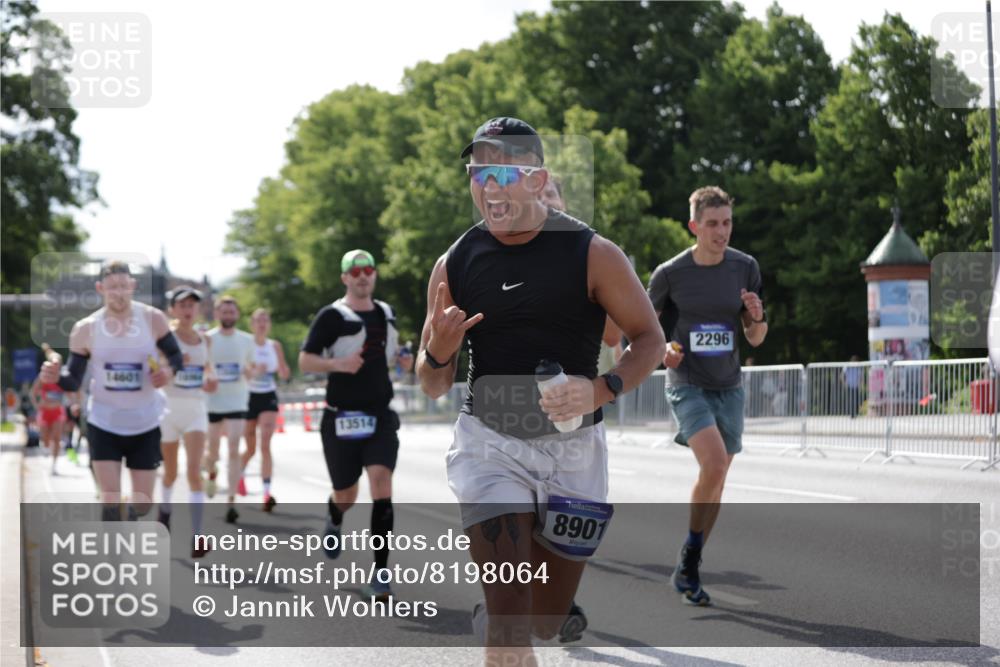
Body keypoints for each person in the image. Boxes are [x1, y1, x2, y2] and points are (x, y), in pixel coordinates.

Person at [418, 117, 663, 664]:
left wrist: (599, 389)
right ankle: (499, 620)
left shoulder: (594, 253)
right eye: (478, 172)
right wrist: (439, 349)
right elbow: (431, 383)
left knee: (547, 621)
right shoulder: (455, 263)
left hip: (574, 453)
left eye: (502, 170)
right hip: (490, 445)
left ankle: (507, 618)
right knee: (509, 625)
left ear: (536, 178)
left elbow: (649, 339)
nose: (489, 185)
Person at [647, 186, 767, 606]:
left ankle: (689, 565)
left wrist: (755, 318)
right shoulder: (670, 273)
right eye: (713, 224)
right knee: (713, 462)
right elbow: (644, 330)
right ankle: (690, 559)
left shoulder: (744, 267)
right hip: (687, 383)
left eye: (727, 223)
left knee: (717, 481)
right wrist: (663, 350)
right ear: (694, 226)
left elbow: (756, 337)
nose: (722, 232)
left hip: (729, 386)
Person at [299, 249, 413, 601]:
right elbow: (305, 360)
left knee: (381, 484)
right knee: (346, 494)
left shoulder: (387, 314)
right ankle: (335, 517)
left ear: (374, 275)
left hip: (379, 415)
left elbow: (397, 361)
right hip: (340, 418)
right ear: (345, 277)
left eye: (368, 270)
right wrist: (339, 365)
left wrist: (405, 362)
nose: (363, 275)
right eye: (355, 270)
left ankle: (380, 574)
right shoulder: (332, 316)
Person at [38, 260, 181, 520]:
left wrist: (168, 372)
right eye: (112, 287)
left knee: (143, 505)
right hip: (104, 420)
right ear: (100, 288)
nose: (118, 292)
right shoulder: (86, 329)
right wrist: (57, 377)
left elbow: (176, 357)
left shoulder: (153, 319)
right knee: (110, 498)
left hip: (145, 421)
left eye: (123, 286)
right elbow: (73, 379)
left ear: (133, 286)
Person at [157, 286, 219, 557]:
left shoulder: (205, 341)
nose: (187, 310)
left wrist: (210, 382)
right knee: (171, 472)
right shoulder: (165, 337)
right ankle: (165, 511)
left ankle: (197, 536)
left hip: (195, 410)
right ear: (173, 309)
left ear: (198, 309)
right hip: (168, 411)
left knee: (194, 472)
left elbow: (207, 372)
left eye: (192, 305)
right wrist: (170, 365)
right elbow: (152, 369)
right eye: (182, 305)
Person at [203, 296, 257, 524]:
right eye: (223, 312)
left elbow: (252, 368)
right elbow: (200, 367)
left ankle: (231, 501)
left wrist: (248, 372)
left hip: (237, 400)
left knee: (234, 446)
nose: (228, 316)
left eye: (231, 312)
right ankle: (212, 470)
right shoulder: (207, 340)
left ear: (237, 315)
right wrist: (209, 377)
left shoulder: (247, 340)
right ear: (217, 314)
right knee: (213, 451)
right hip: (212, 402)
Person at [239, 308, 290, 511]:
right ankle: (239, 474)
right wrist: (253, 371)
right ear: (252, 324)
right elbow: (241, 374)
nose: (262, 324)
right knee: (250, 447)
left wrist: (283, 371)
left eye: (265, 320)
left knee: (265, 444)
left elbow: (284, 372)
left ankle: (266, 492)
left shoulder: (274, 346)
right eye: (258, 320)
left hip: (268, 396)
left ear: (269, 324)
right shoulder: (245, 344)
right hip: (248, 397)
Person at [29, 373, 74, 473]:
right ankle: (45, 447)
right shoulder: (42, 378)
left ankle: (54, 465)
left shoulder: (62, 379)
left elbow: (70, 395)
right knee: (45, 438)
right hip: (45, 412)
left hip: (58, 412)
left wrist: (70, 404)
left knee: (57, 438)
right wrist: (36, 405)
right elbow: (32, 393)